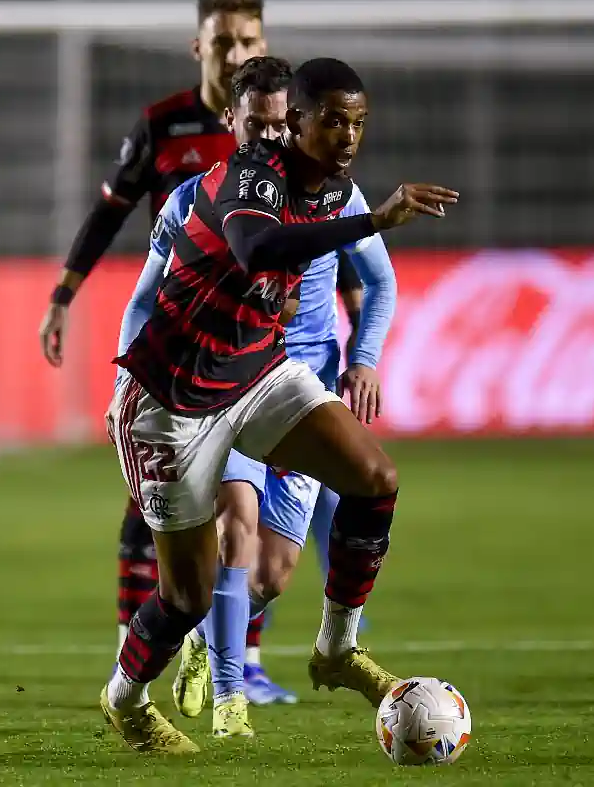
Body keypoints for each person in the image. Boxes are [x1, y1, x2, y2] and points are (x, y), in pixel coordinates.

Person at [101, 58, 458, 754]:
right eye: (332, 121)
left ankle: (336, 649)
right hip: (171, 400)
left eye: (357, 123)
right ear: (295, 123)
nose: (347, 136)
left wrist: (358, 336)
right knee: (187, 599)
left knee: (375, 478)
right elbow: (256, 244)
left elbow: (353, 278)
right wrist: (372, 223)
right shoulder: (251, 174)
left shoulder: (337, 190)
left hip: (260, 373)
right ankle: (125, 700)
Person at [35, 0, 294, 698]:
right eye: (224, 43)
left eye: (248, 42)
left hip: (252, 348)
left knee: (251, 500)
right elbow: (108, 213)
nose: (237, 53)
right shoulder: (164, 126)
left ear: (262, 46)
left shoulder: (285, 131)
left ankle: (244, 662)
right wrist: (63, 296)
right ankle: (131, 644)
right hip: (175, 346)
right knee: (151, 498)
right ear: (199, 47)